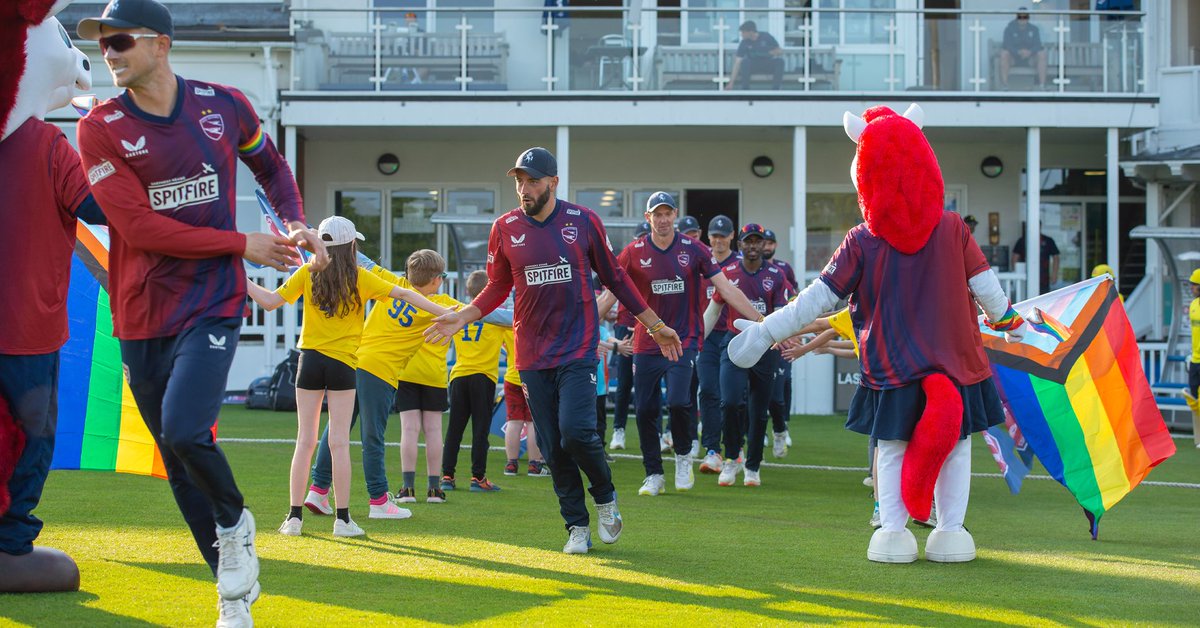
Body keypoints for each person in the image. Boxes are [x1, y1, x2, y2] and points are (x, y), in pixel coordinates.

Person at [75, 0, 329, 621]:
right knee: (180, 461)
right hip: (138, 313)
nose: (107, 54)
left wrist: (293, 219)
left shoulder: (224, 104)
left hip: (213, 300)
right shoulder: (99, 126)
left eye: (119, 42)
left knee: (189, 431)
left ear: (160, 44)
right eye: (101, 44)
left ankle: (236, 523)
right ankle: (232, 595)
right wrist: (245, 243)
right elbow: (136, 227)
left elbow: (269, 165)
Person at [426, 147, 682, 554]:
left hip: (578, 347)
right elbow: (497, 285)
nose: (523, 189)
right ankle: (577, 527)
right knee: (549, 443)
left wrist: (655, 324)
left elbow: (615, 278)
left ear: (553, 183)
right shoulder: (505, 227)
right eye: (519, 181)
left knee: (577, 433)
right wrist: (465, 315)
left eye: (532, 181)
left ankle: (604, 496)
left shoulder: (583, 221)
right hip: (530, 355)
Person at [247, 219, 449, 537]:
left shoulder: (308, 272)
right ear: (352, 246)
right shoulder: (361, 277)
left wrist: (239, 278)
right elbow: (408, 296)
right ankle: (342, 521)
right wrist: (448, 314)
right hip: (343, 365)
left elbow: (270, 302)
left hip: (309, 361)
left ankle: (293, 519)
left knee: (305, 441)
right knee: (339, 443)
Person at [598, 193, 761, 496]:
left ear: (674, 215)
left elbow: (725, 288)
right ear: (648, 218)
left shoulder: (694, 249)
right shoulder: (632, 252)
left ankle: (683, 456)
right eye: (655, 215)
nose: (661, 220)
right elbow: (609, 295)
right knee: (645, 409)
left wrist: (762, 321)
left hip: (683, 340)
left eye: (666, 214)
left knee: (677, 401)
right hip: (646, 342)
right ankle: (653, 473)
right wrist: (581, 328)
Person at [703, 224, 789, 487]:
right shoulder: (727, 273)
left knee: (759, 409)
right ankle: (731, 458)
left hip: (766, 346)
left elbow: (782, 313)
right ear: (739, 245)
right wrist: (696, 342)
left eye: (757, 241)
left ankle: (753, 465)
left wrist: (782, 338)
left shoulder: (776, 275)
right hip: (735, 344)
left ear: (764, 245)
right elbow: (713, 310)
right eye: (747, 241)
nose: (752, 245)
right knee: (729, 402)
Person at [394, 250, 459, 503]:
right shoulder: (446, 304)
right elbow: (477, 313)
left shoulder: (402, 298)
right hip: (434, 375)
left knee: (409, 430)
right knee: (433, 432)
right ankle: (434, 488)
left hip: (407, 371)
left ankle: (407, 488)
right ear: (437, 279)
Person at [442, 270, 507, 493]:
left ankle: (447, 476)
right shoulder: (497, 317)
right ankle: (477, 478)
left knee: (454, 429)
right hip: (484, 378)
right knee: (480, 430)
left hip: (459, 376)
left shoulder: (460, 314)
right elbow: (512, 344)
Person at [697, 214, 740, 474]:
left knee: (732, 397)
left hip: (734, 335)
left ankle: (736, 446)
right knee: (708, 390)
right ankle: (712, 449)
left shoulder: (739, 264)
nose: (718, 241)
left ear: (732, 236)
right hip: (708, 336)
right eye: (714, 236)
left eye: (723, 236)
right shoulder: (702, 261)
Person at [608, 220, 650, 452]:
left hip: (651, 325)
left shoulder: (658, 263)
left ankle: (660, 432)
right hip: (626, 324)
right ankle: (619, 429)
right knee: (625, 382)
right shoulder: (628, 260)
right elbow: (611, 290)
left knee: (650, 382)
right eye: (640, 238)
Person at [762, 227, 797, 455]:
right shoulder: (748, 269)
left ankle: (781, 428)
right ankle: (760, 431)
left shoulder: (783, 269)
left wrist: (795, 328)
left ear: (775, 245)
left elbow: (795, 297)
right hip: (761, 336)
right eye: (762, 242)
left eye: (769, 243)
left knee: (780, 387)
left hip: (782, 336)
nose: (765, 247)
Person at [501, 327, 550, 476]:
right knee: (532, 422)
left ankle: (511, 464)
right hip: (532, 376)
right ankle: (534, 464)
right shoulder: (536, 322)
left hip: (512, 376)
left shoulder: (507, 324)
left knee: (514, 421)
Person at [727, 21, 784, 90]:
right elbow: (737, 62)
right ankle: (745, 90)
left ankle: (776, 90)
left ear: (750, 32)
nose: (741, 35)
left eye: (743, 32)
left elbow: (780, 50)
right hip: (754, 65)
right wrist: (731, 83)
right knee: (745, 62)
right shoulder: (744, 42)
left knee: (780, 62)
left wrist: (769, 53)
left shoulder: (766, 36)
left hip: (767, 64)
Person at [999, 8, 1047, 89]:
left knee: (1042, 54)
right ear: (1017, 17)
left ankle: (1042, 85)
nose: (1022, 19)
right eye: (1020, 17)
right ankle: (1005, 85)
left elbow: (1038, 45)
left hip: (1030, 59)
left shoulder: (1034, 29)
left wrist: (1030, 52)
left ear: (1028, 18)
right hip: (1013, 58)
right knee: (1004, 54)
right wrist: (1018, 52)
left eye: (1025, 17)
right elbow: (1007, 45)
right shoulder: (1009, 29)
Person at [1012, 226, 1060, 294]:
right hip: (1025, 277)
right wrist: (1016, 274)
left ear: (1040, 227)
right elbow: (1015, 257)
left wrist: (1054, 274)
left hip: (1044, 278)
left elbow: (1056, 257)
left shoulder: (1048, 240)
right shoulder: (1022, 241)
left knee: (1043, 300)